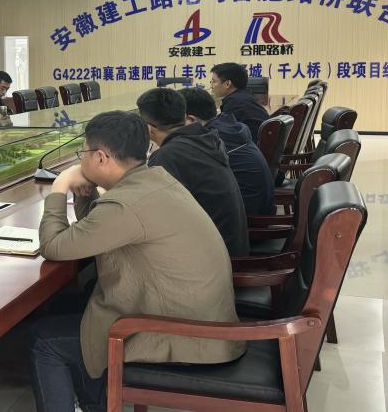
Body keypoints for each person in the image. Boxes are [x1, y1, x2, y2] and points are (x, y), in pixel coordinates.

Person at [32, 111, 244, 412]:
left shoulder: (126, 203)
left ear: (101, 157)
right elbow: (99, 230)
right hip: (201, 320)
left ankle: (93, 403)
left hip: (185, 336)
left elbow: (54, 246)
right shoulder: (154, 178)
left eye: (83, 153)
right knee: (74, 307)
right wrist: (85, 193)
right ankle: (95, 404)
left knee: (44, 340)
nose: (81, 160)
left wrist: (60, 185)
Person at [136, 88, 250, 256]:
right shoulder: (206, 138)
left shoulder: (168, 156)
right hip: (232, 246)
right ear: (185, 117)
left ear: (148, 129)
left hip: (215, 258)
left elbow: (148, 214)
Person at [179, 87, 275, 216]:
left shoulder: (211, 140)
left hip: (245, 215)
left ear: (190, 119)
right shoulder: (227, 127)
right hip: (257, 205)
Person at [210, 62, 270, 142]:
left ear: (227, 84)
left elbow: (222, 132)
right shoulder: (243, 97)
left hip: (250, 145)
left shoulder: (235, 102)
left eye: (214, 81)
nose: (211, 85)